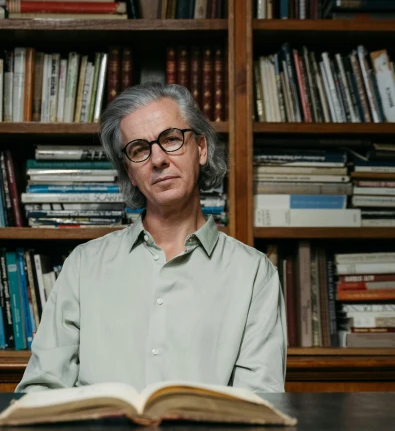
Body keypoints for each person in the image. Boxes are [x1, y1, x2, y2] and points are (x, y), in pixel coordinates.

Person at [16, 82, 286, 393]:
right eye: (140, 150)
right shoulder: (82, 266)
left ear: (201, 148)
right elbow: (40, 389)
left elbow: (259, 403)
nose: (157, 159)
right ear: (130, 172)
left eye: (171, 139)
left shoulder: (254, 274)